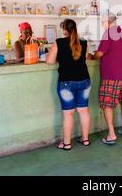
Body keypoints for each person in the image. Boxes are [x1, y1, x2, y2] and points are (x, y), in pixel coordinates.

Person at [46, 19, 91, 151]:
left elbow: (49, 61)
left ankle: (66, 144)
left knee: (68, 114)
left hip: (66, 83)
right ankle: (85, 139)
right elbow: (86, 57)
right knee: (84, 111)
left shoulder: (59, 42)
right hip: (85, 81)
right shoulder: (83, 42)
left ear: (65, 30)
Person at [92, 12, 122, 145]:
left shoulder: (108, 33)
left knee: (107, 103)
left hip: (112, 75)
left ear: (107, 22)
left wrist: (93, 56)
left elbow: (100, 53)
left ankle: (111, 134)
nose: (101, 25)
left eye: (102, 22)